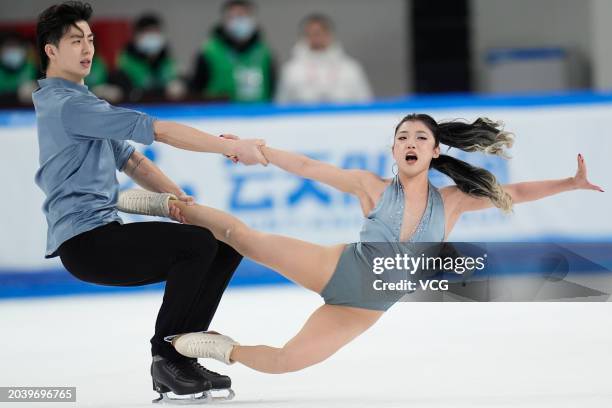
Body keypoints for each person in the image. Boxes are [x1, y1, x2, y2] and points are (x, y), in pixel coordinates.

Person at [118, 114, 603, 375]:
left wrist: (568, 183)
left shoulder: (453, 201)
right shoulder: (371, 186)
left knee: (287, 362)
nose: (410, 142)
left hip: (364, 309)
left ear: (435, 151)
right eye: (402, 136)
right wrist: (259, 150)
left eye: (420, 137)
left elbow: (513, 193)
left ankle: (218, 348)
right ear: (395, 150)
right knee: (242, 237)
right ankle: (167, 204)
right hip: (336, 268)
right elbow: (310, 167)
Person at [33, 1, 267, 403]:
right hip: (86, 244)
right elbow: (158, 131)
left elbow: (133, 160)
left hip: (103, 236)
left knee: (220, 245)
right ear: (51, 51)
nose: (87, 49)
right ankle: (167, 357)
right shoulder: (70, 105)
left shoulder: (81, 104)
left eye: (90, 39)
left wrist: (176, 200)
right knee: (196, 245)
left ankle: (182, 356)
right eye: (76, 41)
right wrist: (229, 146)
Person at [275, 14, 372, 104]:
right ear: (304, 36)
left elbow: (365, 102)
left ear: (330, 34)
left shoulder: (350, 69)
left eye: (320, 32)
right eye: (312, 33)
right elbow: (281, 104)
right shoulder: (292, 70)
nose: (317, 38)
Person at [190, 0, 275, 103]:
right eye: (234, 17)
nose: (240, 21)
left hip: (258, 116)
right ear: (225, 21)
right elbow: (196, 91)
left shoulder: (264, 53)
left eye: (243, 16)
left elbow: (272, 90)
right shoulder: (209, 53)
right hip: (220, 117)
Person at [115, 13, 186, 102]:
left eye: (156, 32)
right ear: (136, 36)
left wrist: (180, 84)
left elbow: (176, 81)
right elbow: (130, 93)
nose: (153, 37)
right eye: (148, 32)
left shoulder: (167, 58)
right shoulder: (126, 61)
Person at [0, 32, 38, 105]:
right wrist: (17, 95)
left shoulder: (34, 68)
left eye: (16, 46)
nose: (13, 51)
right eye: (9, 46)